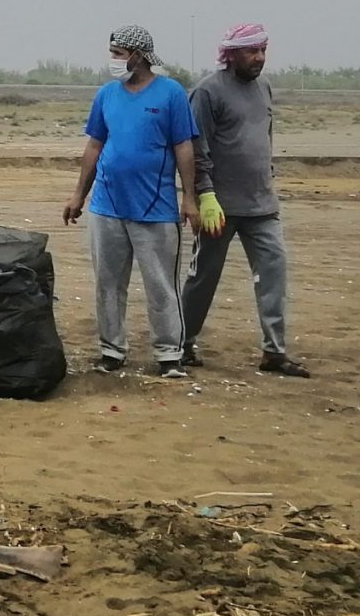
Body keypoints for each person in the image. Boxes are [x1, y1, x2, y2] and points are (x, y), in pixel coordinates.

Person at [61, 24, 197, 379]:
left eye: (118, 54)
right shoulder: (106, 95)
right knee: (107, 283)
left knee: (160, 284)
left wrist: (190, 198)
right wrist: (79, 194)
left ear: (138, 56)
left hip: (156, 208)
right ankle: (112, 350)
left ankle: (169, 354)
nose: (113, 60)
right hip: (106, 206)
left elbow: (184, 147)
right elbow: (95, 145)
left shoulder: (171, 94)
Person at [183, 23, 308, 377]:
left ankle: (274, 352)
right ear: (232, 54)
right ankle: (182, 343)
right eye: (252, 51)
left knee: (273, 274)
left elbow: (265, 137)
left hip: (262, 205)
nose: (259, 58)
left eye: (263, 50)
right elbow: (197, 148)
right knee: (203, 277)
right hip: (219, 207)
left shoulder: (264, 87)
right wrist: (205, 195)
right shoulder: (208, 91)